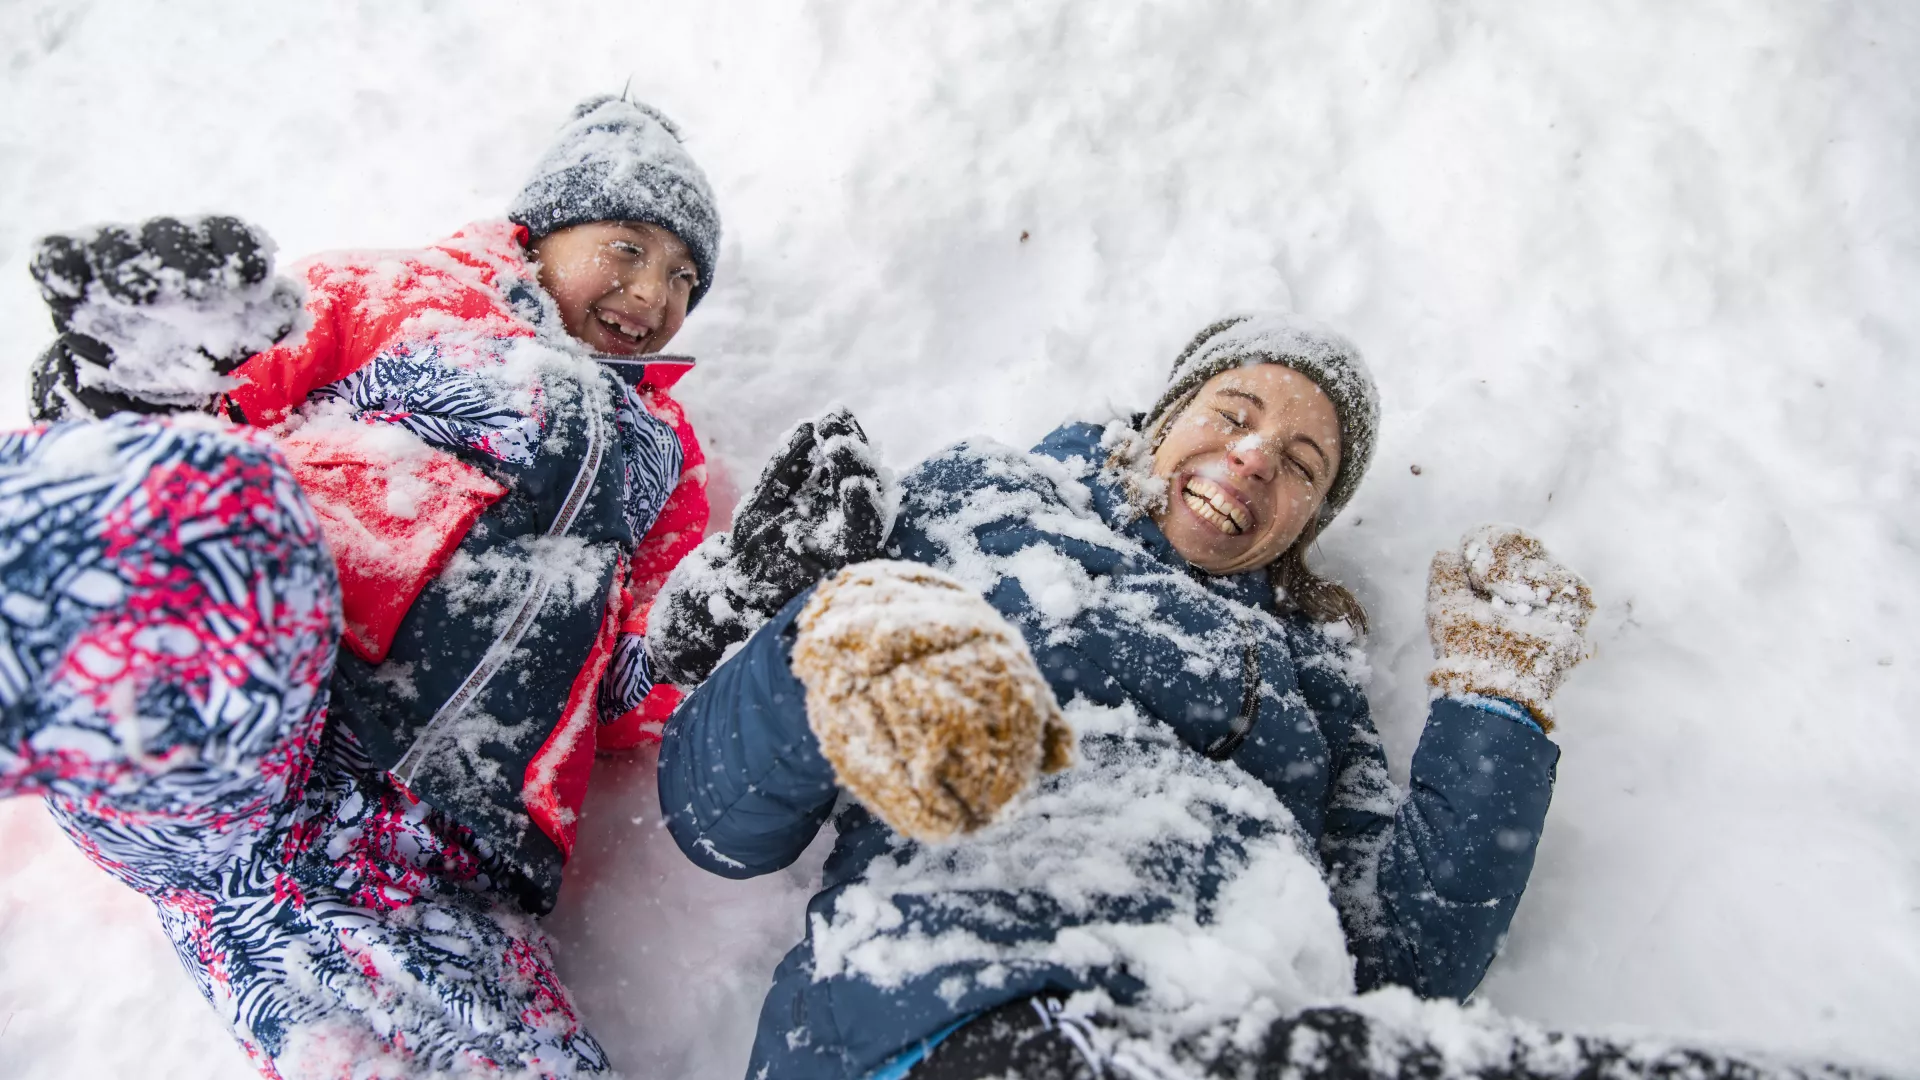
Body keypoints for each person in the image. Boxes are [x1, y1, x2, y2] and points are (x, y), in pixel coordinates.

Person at [651, 314, 1866, 1080]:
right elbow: (714, 819)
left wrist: (1494, 705)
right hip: (962, 997)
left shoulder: (1311, 672)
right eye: (1234, 416)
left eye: (1301, 466)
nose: (1251, 458)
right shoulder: (983, 501)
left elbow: (1408, 959)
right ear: (1165, 416)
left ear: (1305, 525)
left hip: (1259, 1014)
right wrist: (828, 647)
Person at [1, 94, 731, 1077]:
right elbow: (232, 402)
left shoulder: (666, 458)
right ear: (543, 230)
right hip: (279, 710)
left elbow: (621, 695)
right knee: (225, 497)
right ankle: (87, 502)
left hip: (439, 854)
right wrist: (149, 393)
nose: (653, 291)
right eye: (629, 247)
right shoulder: (391, 291)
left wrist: (713, 619)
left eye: (684, 277)